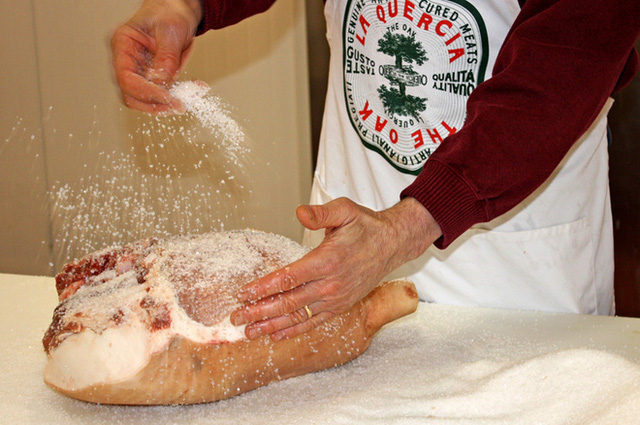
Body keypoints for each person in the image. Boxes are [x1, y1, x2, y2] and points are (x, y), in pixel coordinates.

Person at [112, 0, 639, 341]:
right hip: (346, 246)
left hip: (513, 272)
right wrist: (188, 5)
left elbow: (563, 69)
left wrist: (402, 230)